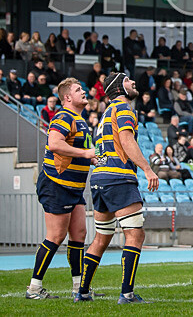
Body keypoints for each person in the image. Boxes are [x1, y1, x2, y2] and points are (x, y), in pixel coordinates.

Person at [75, 72, 159, 303]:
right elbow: (126, 140)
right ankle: (127, 293)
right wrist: (147, 169)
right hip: (118, 177)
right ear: (119, 88)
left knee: (101, 237)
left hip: (99, 178)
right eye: (128, 80)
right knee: (135, 235)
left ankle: (82, 292)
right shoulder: (123, 109)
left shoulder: (105, 114)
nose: (133, 82)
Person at [25, 78, 95, 300]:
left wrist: (93, 159)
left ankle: (79, 288)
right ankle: (34, 288)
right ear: (67, 97)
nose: (83, 92)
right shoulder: (64, 116)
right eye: (78, 90)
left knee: (79, 235)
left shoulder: (79, 120)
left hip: (74, 187)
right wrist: (86, 154)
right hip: (57, 184)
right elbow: (54, 143)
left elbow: (76, 150)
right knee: (55, 236)